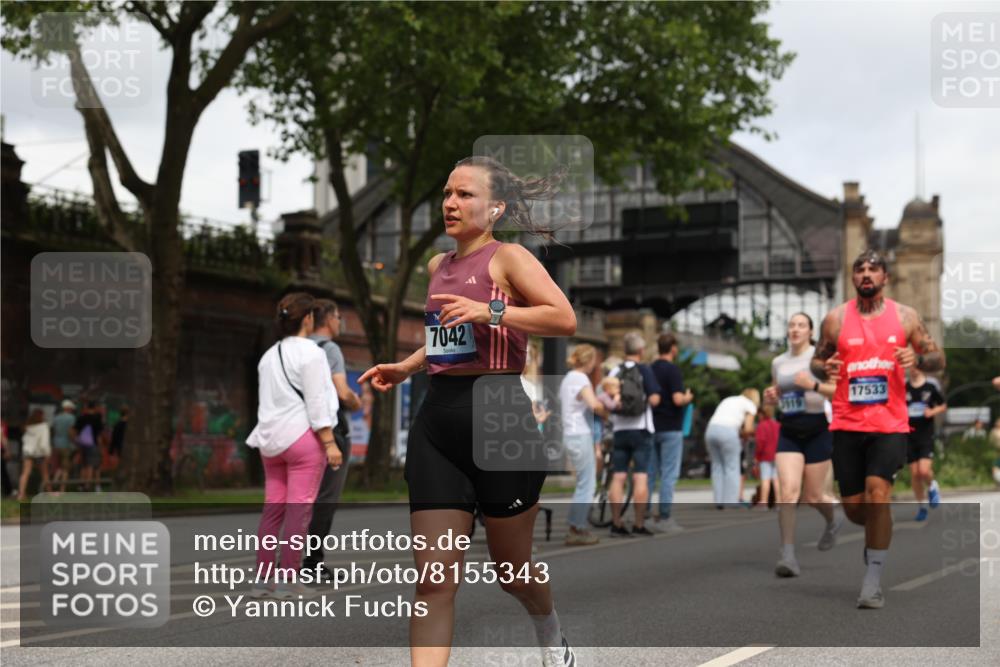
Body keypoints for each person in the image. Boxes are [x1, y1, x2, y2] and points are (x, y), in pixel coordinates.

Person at [358, 156, 578, 667]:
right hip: (439, 420)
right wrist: (406, 367)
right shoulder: (438, 266)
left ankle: (549, 633)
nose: (450, 203)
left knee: (512, 571)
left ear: (495, 207)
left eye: (465, 195)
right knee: (434, 580)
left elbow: (562, 318)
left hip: (499, 415)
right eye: (447, 193)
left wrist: (492, 309)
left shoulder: (511, 259)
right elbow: (447, 340)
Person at [812, 249, 945, 609]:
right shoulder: (836, 320)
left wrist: (916, 358)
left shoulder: (906, 317)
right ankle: (874, 540)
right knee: (857, 509)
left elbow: (937, 358)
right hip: (847, 422)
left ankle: (872, 580)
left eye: (873, 269)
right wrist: (825, 369)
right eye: (860, 269)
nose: (866, 274)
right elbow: (817, 360)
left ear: (886, 277)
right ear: (853, 278)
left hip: (890, 423)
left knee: (878, 492)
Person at [245, 292, 342, 599]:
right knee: (298, 512)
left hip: (270, 442)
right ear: (309, 319)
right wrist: (330, 443)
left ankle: (263, 579)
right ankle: (288, 580)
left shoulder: (268, 356)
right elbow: (316, 402)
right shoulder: (312, 353)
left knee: (273, 510)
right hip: (303, 440)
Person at [762, 312, 842, 577]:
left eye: (801, 325)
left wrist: (813, 384)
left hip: (818, 427)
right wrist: (771, 397)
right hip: (789, 430)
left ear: (810, 331)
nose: (795, 329)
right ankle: (787, 555)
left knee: (814, 496)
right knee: (788, 494)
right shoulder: (778, 362)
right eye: (791, 325)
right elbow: (778, 394)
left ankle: (832, 520)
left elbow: (837, 390)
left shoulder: (818, 360)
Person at [301, 298, 362, 580]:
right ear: (326, 319)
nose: (340, 322)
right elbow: (341, 392)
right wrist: (356, 401)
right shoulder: (329, 349)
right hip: (329, 433)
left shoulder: (290, 347)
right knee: (325, 499)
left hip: (295, 432)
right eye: (338, 316)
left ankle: (282, 559)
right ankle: (312, 562)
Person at [607, 331, 662, 537]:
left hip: (620, 429)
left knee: (618, 476)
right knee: (640, 477)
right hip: (641, 429)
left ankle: (616, 522)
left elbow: (606, 397)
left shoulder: (614, 371)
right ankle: (639, 523)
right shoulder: (645, 371)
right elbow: (655, 399)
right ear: (641, 350)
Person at [559, 344, 613, 546]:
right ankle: (577, 528)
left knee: (583, 482)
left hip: (569, 434)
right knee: (587, 483)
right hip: (580, 433)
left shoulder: (567, 378)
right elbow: (594, 404)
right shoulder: (581, 379)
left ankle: (576, 525)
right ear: (589, 361)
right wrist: (607, 413)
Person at [648, 332, 693, 533]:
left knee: (649, 473)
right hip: (671, 427)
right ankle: (665, 517)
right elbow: (677, 399)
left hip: (651, 426)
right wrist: (687, 397)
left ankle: (646, 516)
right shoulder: (673, 370)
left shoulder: (650, 369)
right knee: (668, 474)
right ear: (673, 348)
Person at [905, 369, 947, 521]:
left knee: (923, 471)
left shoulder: (930, 385)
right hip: (908, 435)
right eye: (910, 367)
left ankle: (932, 485)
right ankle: (921, 507)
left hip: (925, 434)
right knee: (915, 474)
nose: (913, 370)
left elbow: (943, 405)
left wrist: (932, 411)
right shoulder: (903, 386)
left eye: (916, 366)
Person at [705, 389, 759, 506]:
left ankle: (719, 501)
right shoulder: (750, 405)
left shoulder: (729, 399)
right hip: (728, 431)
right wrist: (750, 434)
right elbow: (748, 429)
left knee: (717, 466)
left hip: (711, 430)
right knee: (732, 468)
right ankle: (731, 501)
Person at [18, 408, 52, 500]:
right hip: (40, 453)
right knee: (45, 474)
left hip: (28, 451)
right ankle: (49, 493)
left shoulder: (27, 427)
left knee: (25, 473)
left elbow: (24, 440)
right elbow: (44, 442)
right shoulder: (43, 426)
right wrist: (47, 453)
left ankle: (21, 494)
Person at [753, 404, 780, 509]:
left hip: (765, 456)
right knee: (776, 479)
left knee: (765, 479)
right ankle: (779, 503)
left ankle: (763, 502)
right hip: (777, 454)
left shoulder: (761, 425)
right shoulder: (777, 424)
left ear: (762, 414)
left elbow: (760, 442)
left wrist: (757, 456)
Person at [74, 402, 104, 491]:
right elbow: (99, 435)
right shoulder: (97, 419)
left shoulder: (82, 418)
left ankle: (81, 485)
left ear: (87, 408)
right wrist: (101, 447)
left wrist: (76, 441)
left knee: (84, 465)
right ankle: (87, 486)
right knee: (91, 465)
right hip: (93, 444)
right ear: (95, 408)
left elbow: (74, 431)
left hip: (82, 444)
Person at [51, 400, 77, 493]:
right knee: (66, 468)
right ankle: (62, 489)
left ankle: (55, 480)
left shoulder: (56, 418)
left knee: (59, 466)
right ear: (68, 408)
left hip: (56, 444)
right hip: (66, 445)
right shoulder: (71, 418)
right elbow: (71, 432)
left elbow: (53, 431)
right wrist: (75, 441)